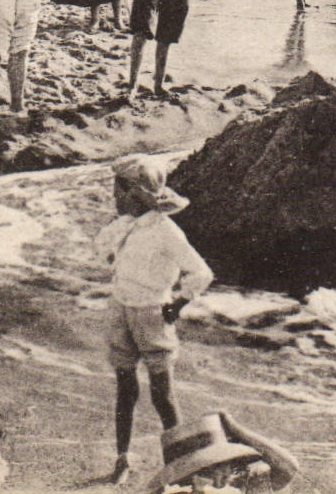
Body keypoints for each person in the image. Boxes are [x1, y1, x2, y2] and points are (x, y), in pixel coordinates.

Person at [94, 154, 213, 488]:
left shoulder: (166, 231)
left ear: (136, 193)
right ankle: (122, 458)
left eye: (118, 191)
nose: (114, 198)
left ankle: (184, 462)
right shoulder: (126, 225)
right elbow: (102, 252)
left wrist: (178, 303)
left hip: (150, 314)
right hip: (121, 309)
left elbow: (201, 272)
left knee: (163, 393)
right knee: (125, 388)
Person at [153, 411, 301, 493]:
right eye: (208, 470)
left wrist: (237, 431)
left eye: (224, 464)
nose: (222, 476)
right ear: (185, 479)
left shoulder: (241, 486)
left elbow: (288, 469)